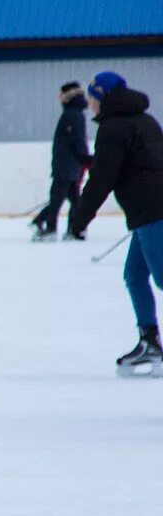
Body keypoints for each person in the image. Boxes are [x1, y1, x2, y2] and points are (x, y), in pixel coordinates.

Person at [68, 72, 163, 377]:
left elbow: (101, 178)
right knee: (134, 274)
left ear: (102, 97)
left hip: (153, 211)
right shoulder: (146, 121)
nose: (90, 104)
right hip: (146, 212)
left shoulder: (113, 128)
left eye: (93, 97)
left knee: (161, 278)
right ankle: (149, 341)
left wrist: (80, 218)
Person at [32, 82, 93, 242]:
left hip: (66, 165)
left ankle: (52, 228)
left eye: (62, 95)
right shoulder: (75, 113)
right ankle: (75, 229)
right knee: (73, 199)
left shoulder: (72, 114)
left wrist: (84, 158)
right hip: (70, 164)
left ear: (69, 96)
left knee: (57, 197)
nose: (60, 99)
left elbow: (76, 140)